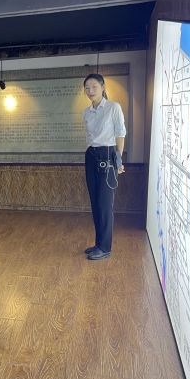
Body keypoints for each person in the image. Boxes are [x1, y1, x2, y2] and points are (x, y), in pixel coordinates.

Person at [82, 73, 126, 261]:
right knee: (95, 202)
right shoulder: (86, 112)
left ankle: (105, 247)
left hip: (107, 154)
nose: (90, 90)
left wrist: (118, 161)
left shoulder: (113, 107)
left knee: (105, 204)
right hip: (91, 155)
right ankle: (98, 243)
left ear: (103, 87)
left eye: (94, 87)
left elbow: (120, 134)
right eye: (87, 88)